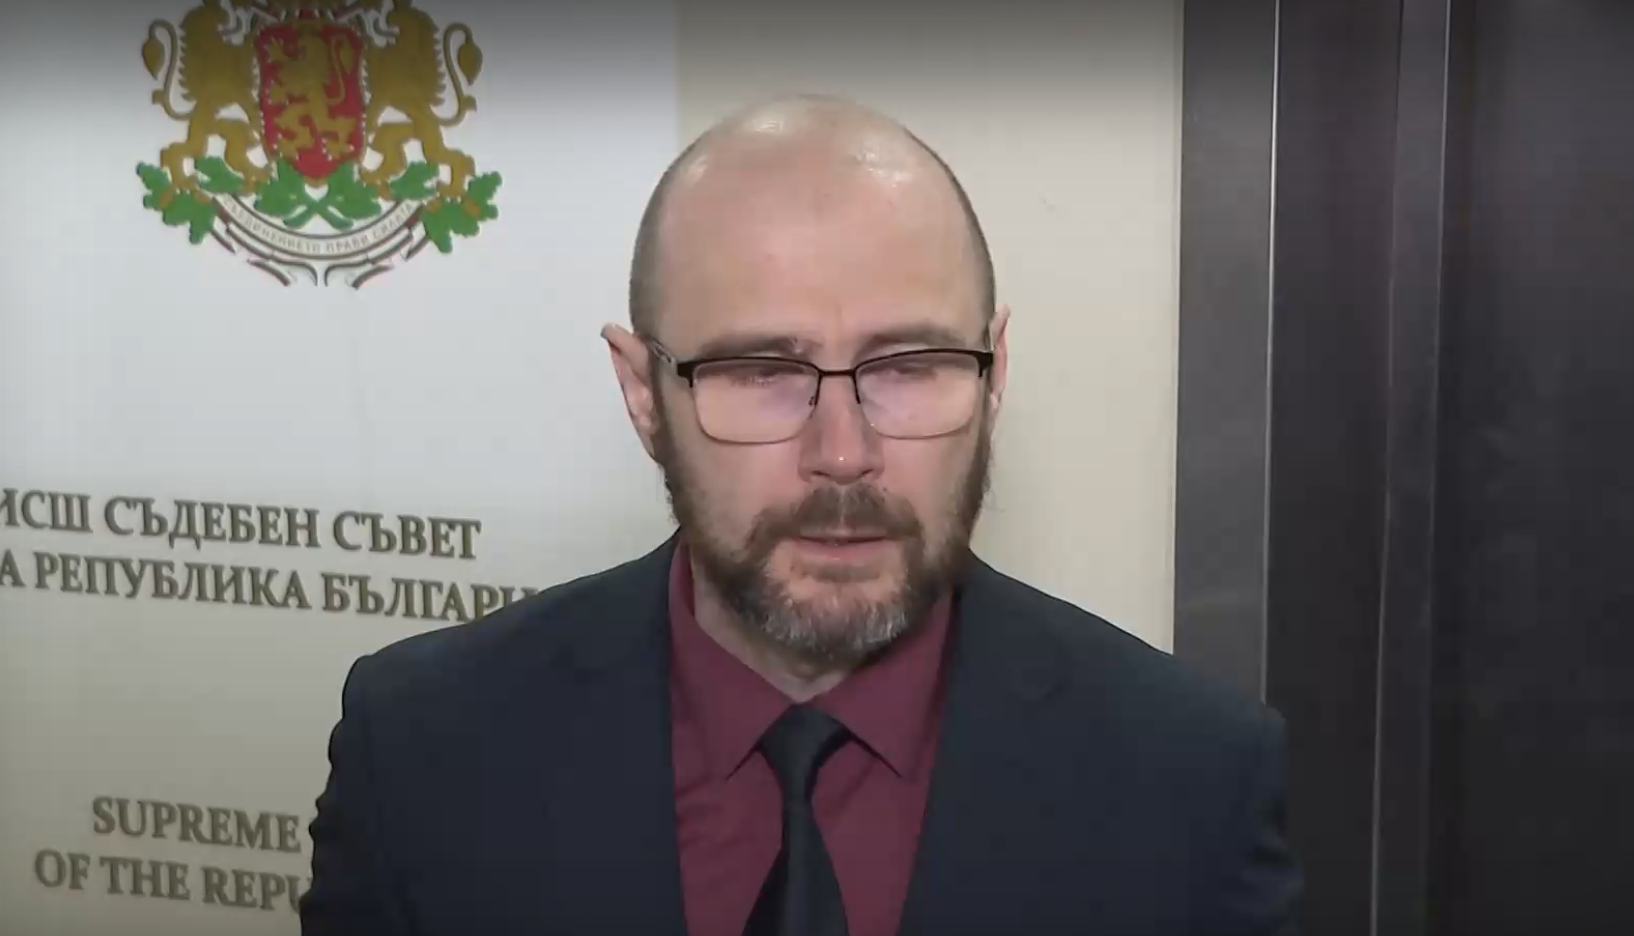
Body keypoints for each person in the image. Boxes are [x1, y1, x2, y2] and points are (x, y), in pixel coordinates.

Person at [299, 94, 1302, 936]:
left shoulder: (1194, 783)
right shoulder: (423, 751)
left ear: (994, 375)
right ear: (642, 393)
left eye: (909, 366)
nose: (843, 454)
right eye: (760, 372)